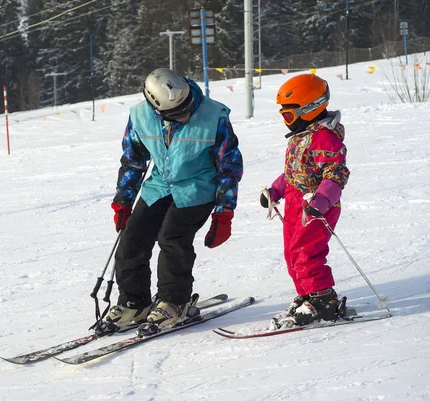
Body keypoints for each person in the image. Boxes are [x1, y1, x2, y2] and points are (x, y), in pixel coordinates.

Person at [105, 68, 243, 331]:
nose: (186, 113)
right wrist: (123, 201)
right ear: (156, 108)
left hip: (198, 187)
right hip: (159, 186)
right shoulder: (139, 116)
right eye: (177, 112)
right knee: (133, 237)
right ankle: (134, 303)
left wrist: (224, 212)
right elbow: (134, 161)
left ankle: (174, 302)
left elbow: (229, 165)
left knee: (172, 238)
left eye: (187, 105)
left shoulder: (215, 116)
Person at [261, 73, 350, 327]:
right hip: (294, 202)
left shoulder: (324, 137)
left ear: (310, 109)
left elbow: (337, 172)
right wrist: (274, 191)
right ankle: (308, 294)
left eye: (288, 115)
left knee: (306, 253)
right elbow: (293, 173)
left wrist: (322, 200)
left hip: (316, 205)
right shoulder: (301, 136)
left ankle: (323, 300)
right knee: (292, 253)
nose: (285, 122)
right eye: (283, 116)